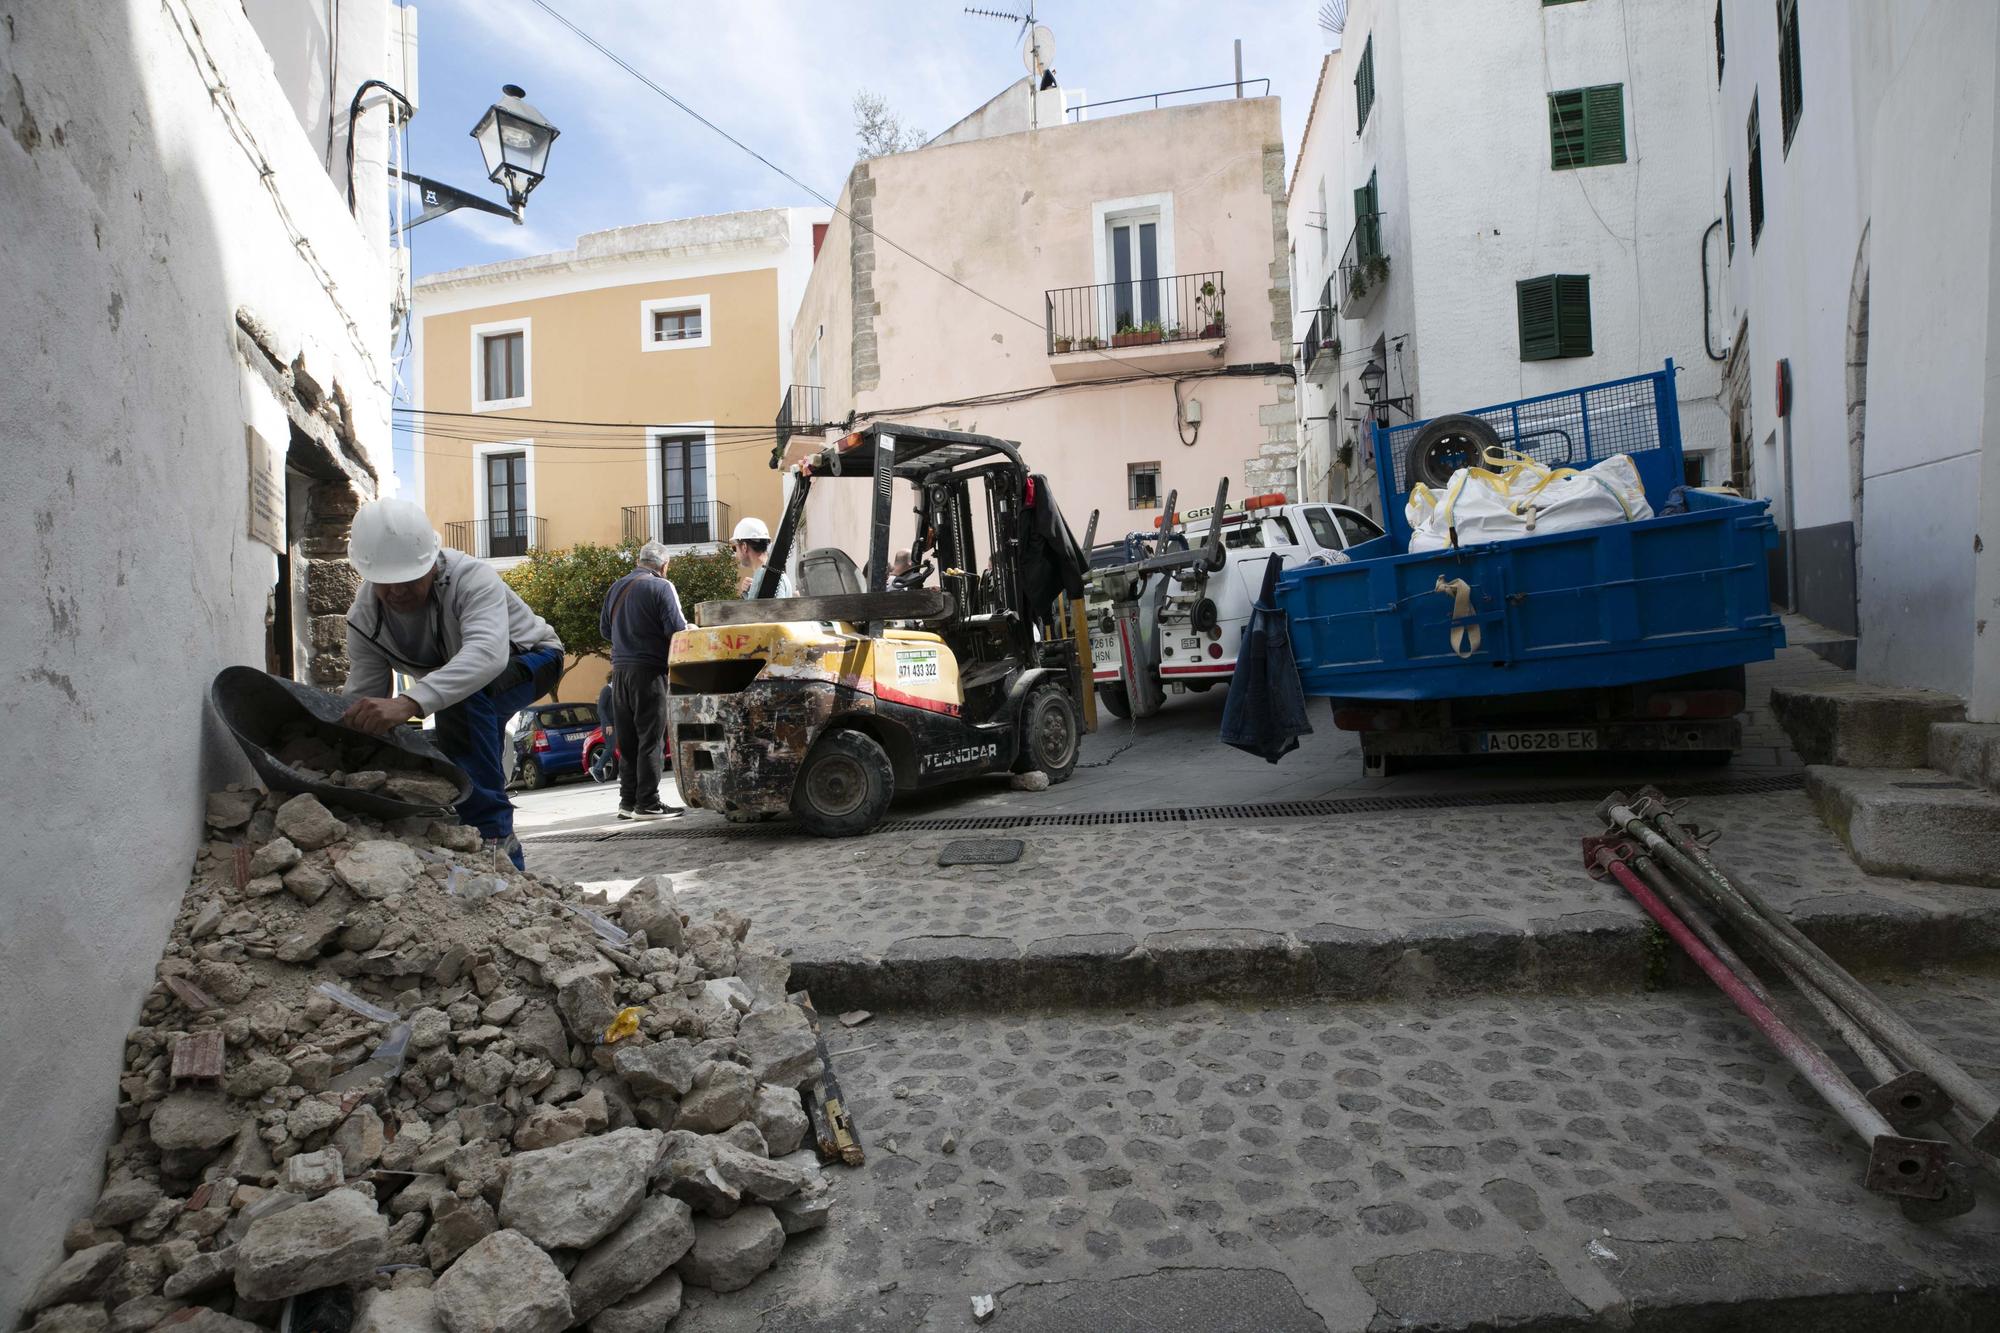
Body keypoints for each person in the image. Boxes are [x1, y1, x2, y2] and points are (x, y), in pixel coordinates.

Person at [339, 498, 564, 869]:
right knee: (460, 721)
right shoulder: (363, 620)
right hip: (466, 689)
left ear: (430, 562)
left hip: (533, 658)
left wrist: (409, 703)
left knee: (464, 699)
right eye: (385, 582)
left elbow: (486, 656)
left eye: (409, 579)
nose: (396, 592)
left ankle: (492, 837)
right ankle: (476, 823)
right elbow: (366, 697)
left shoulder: (470, 578)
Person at [600, 541, 685, 820]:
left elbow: (605, 630)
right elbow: (677, 630)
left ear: (639, 561)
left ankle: (628, 802)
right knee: (651, 738)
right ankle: (648, 803)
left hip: (619, 673)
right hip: (649, 671)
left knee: (629, 741)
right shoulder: (662, 587)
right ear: (664, 565)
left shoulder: (615, 587)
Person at [733, 516, 793, 598]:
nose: (735, 554)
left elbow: (776, 610)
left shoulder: (768, 576)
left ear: (744, 547)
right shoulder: (770, 574)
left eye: (735, 548)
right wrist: (749, 592)